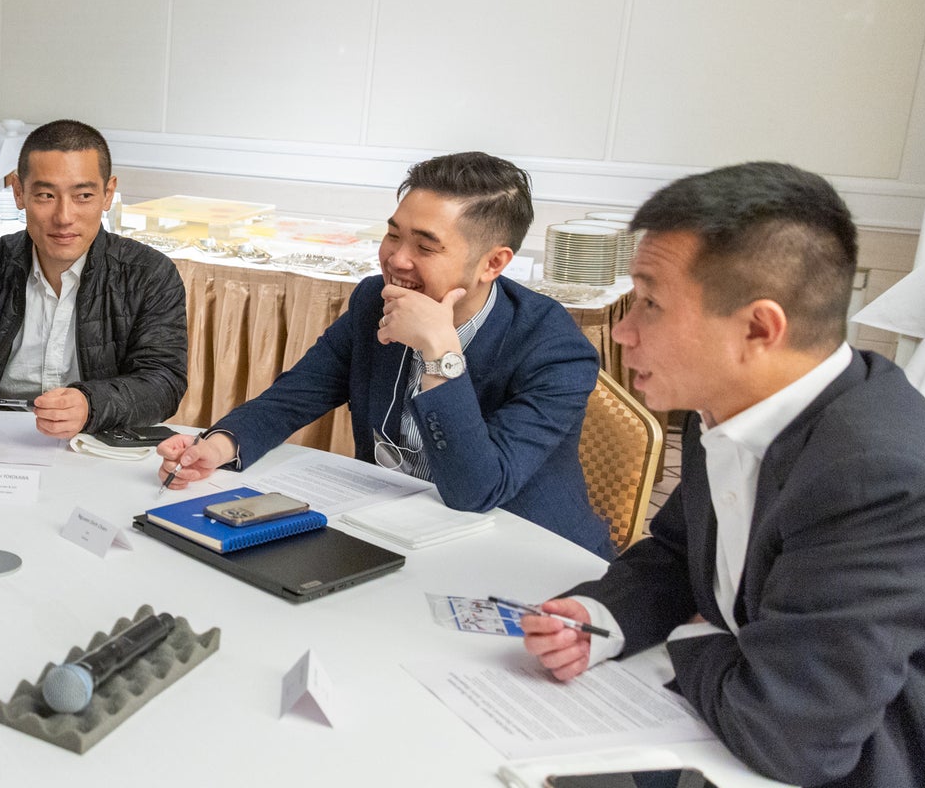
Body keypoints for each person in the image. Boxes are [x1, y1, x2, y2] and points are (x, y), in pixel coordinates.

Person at [517, 163, 925, 788]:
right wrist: (606, 618)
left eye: (649, 303)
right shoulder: (740, 403)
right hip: (763, 746)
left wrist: (693, 641)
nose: (622, 330)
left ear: (759, 327)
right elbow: (682, 550)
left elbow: (794, 731)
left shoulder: (883, 474)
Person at [156, 152, 612, 556]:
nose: (396, 259)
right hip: (390, 532)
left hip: (522, 554)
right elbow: (294, 396)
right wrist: (217, 446)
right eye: (393, 235)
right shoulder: (375, 300)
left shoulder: (554, 348)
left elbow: (476, 491)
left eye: (425, 247)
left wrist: (439, 352)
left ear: (493, 263)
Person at [0, 119, 187, 438]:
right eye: (45, 195)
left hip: (95, 440)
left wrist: (91, 404)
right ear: (18, 192)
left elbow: (162, 381)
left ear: (108, 194)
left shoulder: (149, 275)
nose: (64, 217)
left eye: (83, 195)